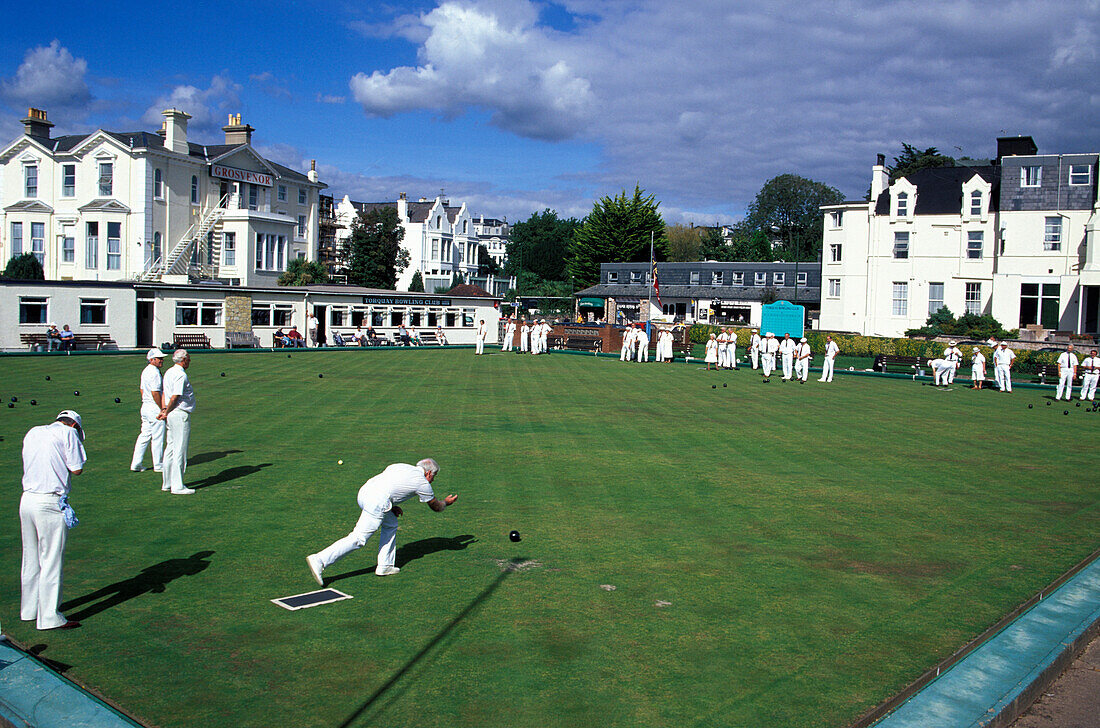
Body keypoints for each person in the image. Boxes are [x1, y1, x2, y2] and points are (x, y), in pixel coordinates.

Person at [306, 459, 458, 583]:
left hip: (365, 493)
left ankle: (385, 565)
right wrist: (446, 502)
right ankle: (320, 560)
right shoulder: (423, 483)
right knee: (359, 538)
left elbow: (389, 485)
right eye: (434, 477)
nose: (433, 480)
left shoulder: (400, 466)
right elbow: (436, 507)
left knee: (391, 523)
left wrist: (391, 507)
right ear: (429, 473)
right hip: (377, 501)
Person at [21, 410, 86, 630]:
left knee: (31, 556)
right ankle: (49, 617)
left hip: (27, 500)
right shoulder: (69, 434)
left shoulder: (33, 431)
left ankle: (29, 610)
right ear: (74, 426)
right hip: (49, 502)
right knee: (50, 559)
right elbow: (76, 469)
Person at [158, 349, 196, 495]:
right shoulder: (180, 375)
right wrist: (166, 411)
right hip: (179, 414)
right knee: (179, 450)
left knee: (171, 448)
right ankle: (177, 485)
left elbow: (165, 394)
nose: (190, 361)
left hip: (171, 413)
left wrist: (164, 410)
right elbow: (175, 396)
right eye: (189, 359)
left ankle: (167, 483)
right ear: (184, 360)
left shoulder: (169, 372)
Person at [130, 348, 166, 473]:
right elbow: (155, 392)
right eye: (159, 358)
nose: (162, 360)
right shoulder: (154, 372)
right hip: (153, 407)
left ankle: (136, 463)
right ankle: (158, 464)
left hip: (145, 406)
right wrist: (162, 408)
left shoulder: (145, 371)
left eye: (162, 358)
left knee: (144, 435)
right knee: (158, 436)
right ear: (152, 360)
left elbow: (142, 390)